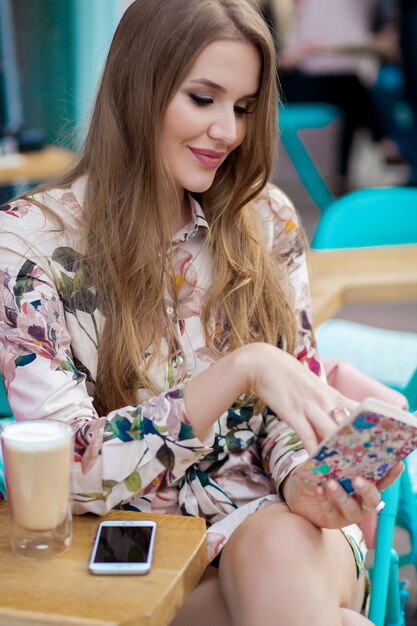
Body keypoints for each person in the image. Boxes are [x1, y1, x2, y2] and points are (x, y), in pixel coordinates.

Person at [0, 1, 403, 624]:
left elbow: (290, 409)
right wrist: (239, 369)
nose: (229, 131)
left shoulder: (266, 220)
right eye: (203, 98)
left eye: (242, 107)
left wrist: (303, 483)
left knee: (274, 541)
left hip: (286, 534)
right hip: (140, 555)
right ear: (140, 87)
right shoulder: (28, 245)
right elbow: (67, 473)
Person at [272, 0, 400, 188]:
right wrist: (297, 54)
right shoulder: (275, 9)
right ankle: (382, 143)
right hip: (283, 87)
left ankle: (345, 175)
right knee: (351, 90)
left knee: (349, 95)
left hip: (313, 81)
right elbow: (272, 62)